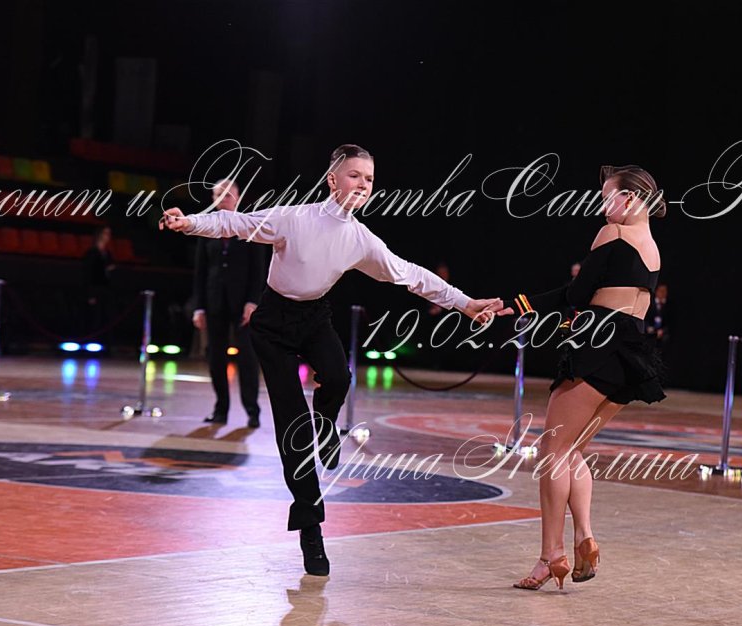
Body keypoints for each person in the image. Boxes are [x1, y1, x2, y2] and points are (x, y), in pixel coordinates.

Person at [160, 144, 502, 576]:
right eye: (355, 175)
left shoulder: (360, 239)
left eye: (370, 178)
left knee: (338, 378)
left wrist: (465, 303)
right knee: (292, 428)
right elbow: (235, 222)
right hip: (272, 325)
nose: (363, 184)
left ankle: (325, 424)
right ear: (332, 179)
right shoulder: (294, 218)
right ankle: (311, 528)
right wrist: (189, 222)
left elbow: (410, 274)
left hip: (314, 318)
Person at [504, 164, 666, 590]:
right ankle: (584, 539)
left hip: (598, 343)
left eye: (608, 196)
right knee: (572, 449)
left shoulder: (612, 233)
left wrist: (517, 304)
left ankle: (550, 555)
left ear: (630, 198)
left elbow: (575, 295)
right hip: (631, 352)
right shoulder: (651, 247)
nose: (602, 205)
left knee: (552, 451)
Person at [192, 179, 265, 428]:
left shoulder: (249, 226)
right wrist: (199, 307)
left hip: (243, 304)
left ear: (237, 197)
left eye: (227, 194)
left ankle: (252, 411)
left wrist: (252, 302)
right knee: (215, 357)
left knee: (248, 358)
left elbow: (258, 270)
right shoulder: (206, 228)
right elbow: (200, 271)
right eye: (217, 195)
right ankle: (220, 409)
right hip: (214, 302)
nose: (222, 199)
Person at [82, 225, 115, 347]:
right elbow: (88, 274)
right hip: (95, 289)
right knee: (95, 318)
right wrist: (90, 294)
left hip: (106, 289)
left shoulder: (107, 253)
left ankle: (105, 344)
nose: (108, 237)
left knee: (106, 317)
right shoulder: (91, 253)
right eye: (105, 233)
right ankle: (92, 344)